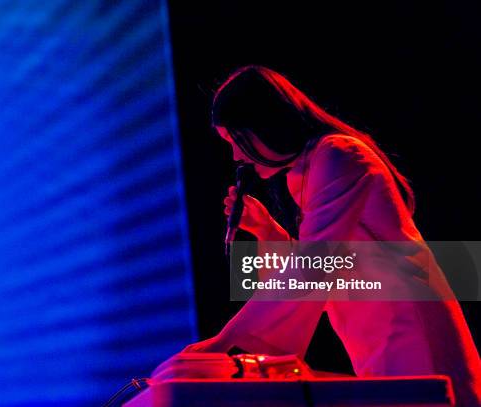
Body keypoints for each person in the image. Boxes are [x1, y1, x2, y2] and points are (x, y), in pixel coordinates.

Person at [182, 65, 481, 406]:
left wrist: (224, 340)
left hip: (410, 325)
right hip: (374, 331)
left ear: (266, 123)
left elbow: (316, 264)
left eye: (238, 140)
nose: (237, 156)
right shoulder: (305, 171)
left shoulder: (338, 154)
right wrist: (266, 230)